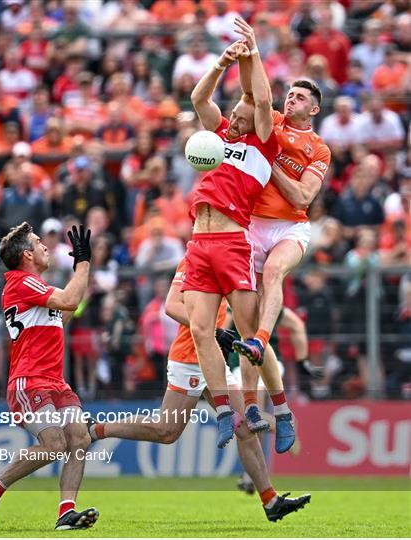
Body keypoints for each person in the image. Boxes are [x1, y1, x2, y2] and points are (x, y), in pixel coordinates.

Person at [89, 258, 311, 522]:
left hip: (214, 357)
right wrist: (215, 331)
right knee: (166, 431)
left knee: (245, 428)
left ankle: (270, 500)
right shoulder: (193, 261)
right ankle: (96, 429)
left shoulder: (231, 259)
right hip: (189, 359)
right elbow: (171, 306)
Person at [230, 18, 331, 451]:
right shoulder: (270, 120)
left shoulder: (320, 148)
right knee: (244, 320)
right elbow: (253, 95)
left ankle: (262, 342)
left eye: (301, 96)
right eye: (290, 93)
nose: (292, 99)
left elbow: (305, 195)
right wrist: (246, 55)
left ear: (314, 108)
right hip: (252, 225)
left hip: (291, 225)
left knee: (274, 274)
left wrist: (270, 164)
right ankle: (258, 406)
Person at [183, 39, 280, 449]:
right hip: (198, 243)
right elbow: (197, 96)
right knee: (201, 329)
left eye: (241, 117)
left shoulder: (262, 143)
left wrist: (253, 55)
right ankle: (224, 410)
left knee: (245, 332)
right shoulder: (218, 135)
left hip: (231, 241)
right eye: (233, 117)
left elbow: (261, 100)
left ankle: (256, 406)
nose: (235, 123)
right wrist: (223, 62)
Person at [0, 222, 99, 531]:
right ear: (27, 254)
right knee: (55, 443)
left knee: (79, 437)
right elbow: (70, 302)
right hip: (29, 381)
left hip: (55, 381)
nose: (46, 246)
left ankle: (65, 514)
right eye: (39, 242)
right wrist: (83, 263)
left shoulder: (34, 288)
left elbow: (64, 316)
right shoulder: (21, 281)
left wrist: (80, 277)